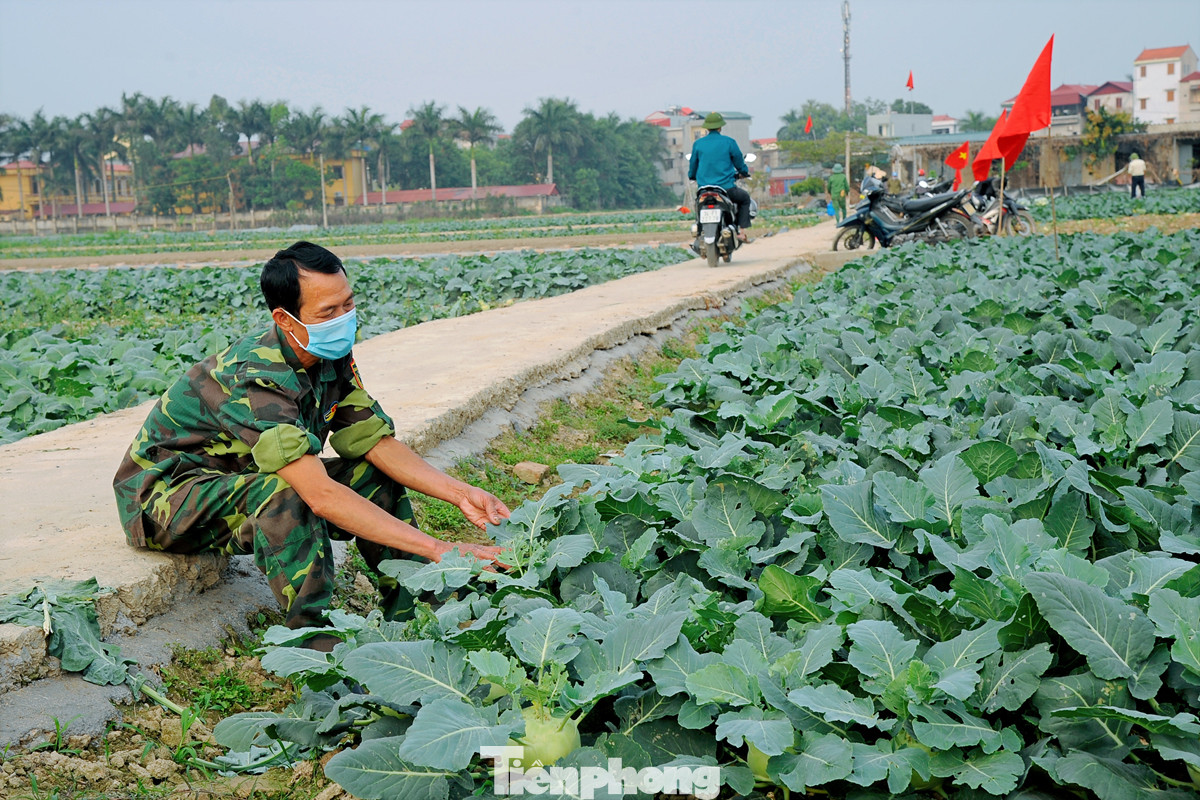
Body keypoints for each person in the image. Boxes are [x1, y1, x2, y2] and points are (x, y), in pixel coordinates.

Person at [112, 241, 510, 645]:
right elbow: (319, 495)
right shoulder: (258, 377)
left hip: (237, 480)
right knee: (289, 491)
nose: (344, 319)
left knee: (370, 474)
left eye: (348, 304)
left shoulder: (327, 351)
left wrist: (461, 493)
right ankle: (313, 638)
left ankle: (417, 605)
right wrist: (440, 547)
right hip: (169, 500)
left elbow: (374, 442)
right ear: (286, 320)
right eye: (328, 312)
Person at [688, 112, 753, 242]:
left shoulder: (698, 144)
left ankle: (700, 233)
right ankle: (741, 231)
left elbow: (692, 168)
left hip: (703, 190)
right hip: (726, 189)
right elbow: (739, 162)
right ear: (720, 127)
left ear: (707, 128)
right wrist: (743, 172)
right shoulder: (729, 142)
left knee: (698, 206)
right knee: (745, 199)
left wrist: (692, 176)